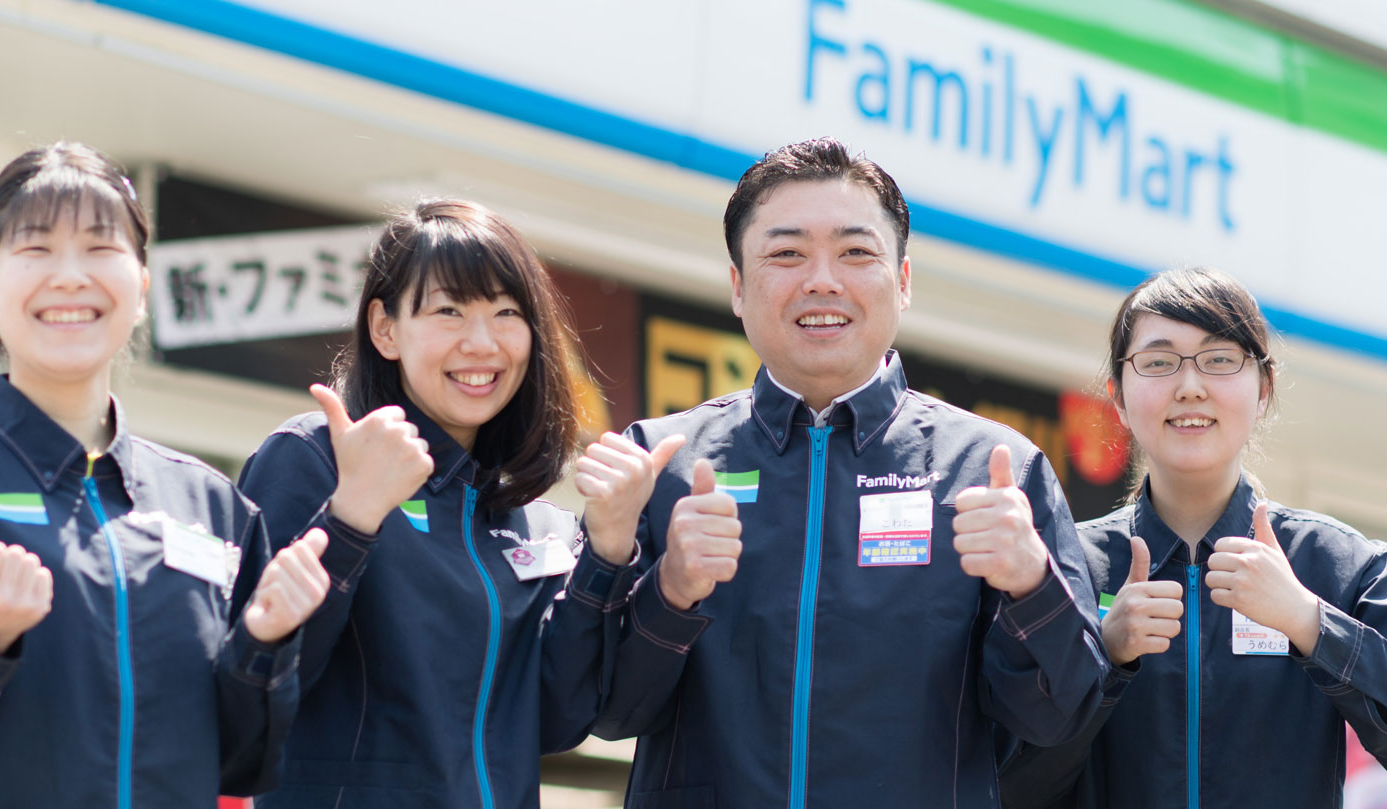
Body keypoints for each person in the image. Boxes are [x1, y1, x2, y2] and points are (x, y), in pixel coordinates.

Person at [591, 137, 1108, 808]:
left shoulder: (991, 470)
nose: (822, 280)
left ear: (903, 281)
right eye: (786, 253)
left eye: (856, 252)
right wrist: (670, 590)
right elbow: (607, 712)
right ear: (739, 288)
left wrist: (1031, 586)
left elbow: (1056, 717)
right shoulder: (661, 463)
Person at [0, 142, 329, 808]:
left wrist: (264, 642)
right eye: (36, 249)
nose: (71, 276)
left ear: (142, 290)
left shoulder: (215, 508)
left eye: (101, 248)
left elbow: (241, 764)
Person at [239, 198, 660, 808]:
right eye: (449, 311)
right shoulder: (316, 458)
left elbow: (558, 719)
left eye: (506, 312)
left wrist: (610, 548)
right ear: (385, 329)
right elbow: (256, 686)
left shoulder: (534, 523)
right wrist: (351, 521)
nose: (482, 343)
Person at [999, 267, 1387, 808]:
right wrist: (1103, 659)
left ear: (1264, 389)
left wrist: (1309, 621)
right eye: (1158, 363)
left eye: (1220, 359)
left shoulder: (1339, 564)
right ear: (1118, 398)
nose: (1189, 387)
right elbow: (1006, 785)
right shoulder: (1064, 570)